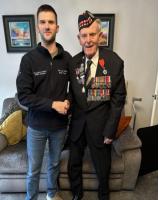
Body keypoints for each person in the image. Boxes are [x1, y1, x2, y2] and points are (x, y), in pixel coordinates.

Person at [67, 11, 126, 200]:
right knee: (73, 164)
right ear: (79, 38)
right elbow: (73, 93)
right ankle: (77, 194)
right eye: (84, 35)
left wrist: (110, 130)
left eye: (92, 34)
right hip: (77, 125)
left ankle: (103, 196)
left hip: (100, 126)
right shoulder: (73, 62)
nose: (88, 40)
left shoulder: (114, 62)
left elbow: (118, 99)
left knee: (102, 167)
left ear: (100, 36)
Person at [16, 4, 71, 200]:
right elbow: (23, 96)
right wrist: (52, 104)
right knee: (33, 169)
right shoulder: (28, 60)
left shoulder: (67, 59)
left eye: (51, 22)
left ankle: (51, 194)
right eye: (43, 22)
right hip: (36, 126)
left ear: (57, 27)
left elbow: (74, 91)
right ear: (38, 27)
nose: (47, 26)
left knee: (54, 164)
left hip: (59, 126)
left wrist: (68, 103)